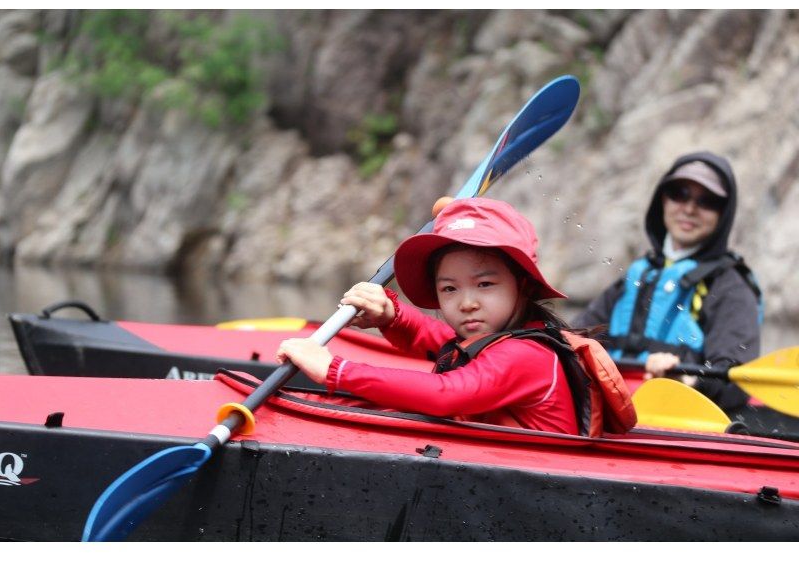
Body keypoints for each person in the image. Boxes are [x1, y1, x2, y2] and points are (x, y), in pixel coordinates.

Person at [276, 197, 579, 434]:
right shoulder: (494, 339)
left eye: (485, 284)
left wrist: (336, 370)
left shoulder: (526, 355)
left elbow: (445, 394)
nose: (466, 303)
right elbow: (436, 337)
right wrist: (390, 315)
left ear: (523, 286)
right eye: (449, 289)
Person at [573, 151, 762, 412]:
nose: (689, 208)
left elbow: (737, 381)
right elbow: (573, 337)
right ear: (662, 199)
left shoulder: (731, 287)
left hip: (675, 421)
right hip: (613, 410)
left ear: (723, 214)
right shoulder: (640, 274)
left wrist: (687, 381)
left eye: (707, 201)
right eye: (679, 193)